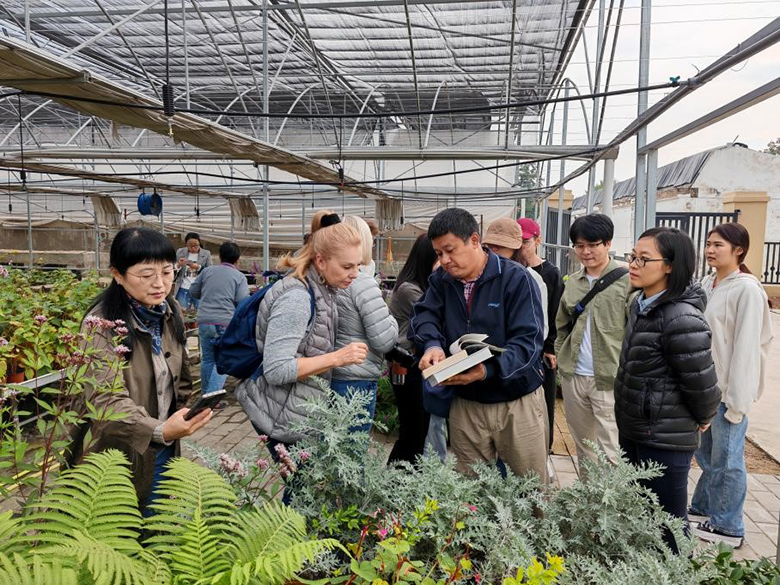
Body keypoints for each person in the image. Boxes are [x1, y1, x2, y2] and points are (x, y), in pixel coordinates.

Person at [67, 227, 213, 515]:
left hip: (164, 445)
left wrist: (185, 412)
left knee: (158, 519)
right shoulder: (101, 325)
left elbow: (180, 371)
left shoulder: (169, 309)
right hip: (116, 456)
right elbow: (105, 401)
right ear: (118, 275)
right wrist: (158, 430)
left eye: (167, 272)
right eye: (146, 275)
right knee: (123, 525)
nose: (160, 283)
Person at [410, 208, 548, 481]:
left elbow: (528, 342)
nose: (444, 260)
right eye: (438, 253)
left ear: (474, 240)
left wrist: (488, 370)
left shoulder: (516, 279)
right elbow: (425, 316)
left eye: (450, 250)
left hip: (516, 401)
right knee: (469, 490)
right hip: (466, 403)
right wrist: (432, 346)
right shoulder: (441, 281)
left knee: (528, 487)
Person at [614, 227, 721, 553]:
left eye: (643, 259)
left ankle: (676, 571)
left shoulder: (681, 317)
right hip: (636, 428)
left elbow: (701, 382)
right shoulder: (641, 303)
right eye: (633, 256)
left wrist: (705, 416)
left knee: (669, 524)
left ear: (670, 265)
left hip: (665, 438)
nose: (633, 264)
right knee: (640, 516)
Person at [236, 211, 369, 448]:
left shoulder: (322, 288)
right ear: (321, 261)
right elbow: (277, 369)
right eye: (347, 266)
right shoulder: (297, 298)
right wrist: (338, 358)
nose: (355, 274)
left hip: (293, 412)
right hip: (278, 417)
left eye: (358, 265)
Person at [691, 223, 774, 548]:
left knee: (728, 460)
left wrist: (737, 400)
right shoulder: (707, 283)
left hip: (727, 392)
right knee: (709, 456)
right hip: (705, 388)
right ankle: (703, 508)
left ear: (739, 250)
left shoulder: (747, 290)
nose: (710, 250)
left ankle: (728, 526)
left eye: (718, 245)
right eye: (708, 244)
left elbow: (747, 348)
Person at [555, 213, 631, 475]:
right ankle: (589, 497)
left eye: (592, 244)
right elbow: (561, 325)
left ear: (608, 243)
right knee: (584, 446)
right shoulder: (573, 282)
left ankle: (611, 499)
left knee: (611, 449)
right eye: (579, 246)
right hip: (573, 376)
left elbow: (635, 330)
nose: (585, 251)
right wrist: (562, 359)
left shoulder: (627, 280)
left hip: (609, 378)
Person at [331, 216, 398, 434]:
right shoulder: (362, 283)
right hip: (357, 378)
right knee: (353, 446)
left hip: (331, 373)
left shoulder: (331, 279)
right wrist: (390, 317)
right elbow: (384, 340)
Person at [386, 234, 438, 465]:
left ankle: (407, 476)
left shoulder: (418, 285)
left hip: (416, 365)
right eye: (439, 255)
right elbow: (435, 315)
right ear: (427, 258)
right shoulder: (409, 289)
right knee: (412, 432)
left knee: (418, 430)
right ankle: (397, 478)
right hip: (406, 366)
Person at [516, 218, 564, 452]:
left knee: (545, 398)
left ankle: (546, 445)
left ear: (537, 241)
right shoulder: (512, 269)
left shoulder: (550, 273)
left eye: (525, 242)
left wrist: (550, 347)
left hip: (543, 348)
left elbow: (555, 313)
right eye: (517, 242)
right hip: (521, 347)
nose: (521, 247)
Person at [189, 241, 250, 393]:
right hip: (224, 323)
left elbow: (193, 291)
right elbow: (243, 302)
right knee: (222, 361)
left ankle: (205, 395)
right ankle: (211, 397)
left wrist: (209, 295)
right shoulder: (239, 276)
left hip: (204, 320)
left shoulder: (207, 271)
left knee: (207, 359)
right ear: (237, 260)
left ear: (220, 257)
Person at [481, 218, 549, 339]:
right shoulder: (480, 276)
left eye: (500, 246)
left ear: (516, 249)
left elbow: (540, 329)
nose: (493, 251)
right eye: (489, 246)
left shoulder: (530, 278)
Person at [174, 232, 213, 311]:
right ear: (186, 244)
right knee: (182, 312)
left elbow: (210, 271)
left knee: (200, 312)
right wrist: (179, 265)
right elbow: (172, 268)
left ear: (199, 243)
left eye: (196, 245)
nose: (193, 248)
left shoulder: (206, 253)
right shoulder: (180, 252)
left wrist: (198, 267)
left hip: (199, 289)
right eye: (190, 245)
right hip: (183, 287)